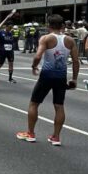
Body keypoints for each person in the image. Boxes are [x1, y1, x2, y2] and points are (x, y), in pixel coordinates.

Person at [17, 14, 79, 145]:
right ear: (62, 26)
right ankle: (56, 137)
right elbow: (75, 62)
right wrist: (74, 79)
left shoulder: (45, 38)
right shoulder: (70, 40)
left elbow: (38, 55)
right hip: (61, 76)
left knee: (34, 103)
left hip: (46, 75)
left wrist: (34, 66)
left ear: (48, 25)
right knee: (59, 106)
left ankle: (31, 133)